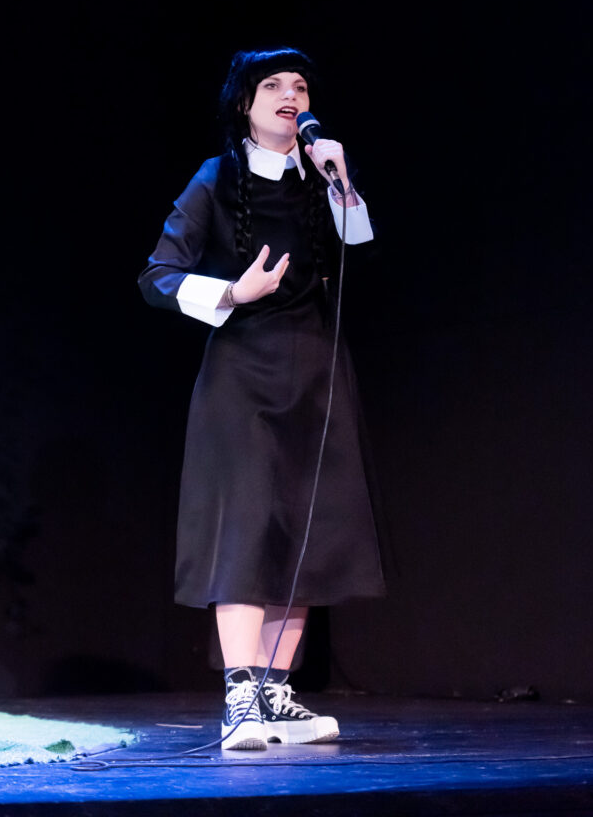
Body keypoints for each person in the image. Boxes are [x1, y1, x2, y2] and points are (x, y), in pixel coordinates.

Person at [138, 47, 385, 750]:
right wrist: (232, 292)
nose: (289, 95)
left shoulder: (321, 175)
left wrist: (341, 182)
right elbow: (156, 276)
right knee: (245, 530)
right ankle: (240, 697)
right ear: (244, 104)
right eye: (272, 84)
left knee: (305, 530)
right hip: (242, 374)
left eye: (300, 85)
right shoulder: (216, 177)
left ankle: (276, 695)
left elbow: (363, 253)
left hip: (317, 370)